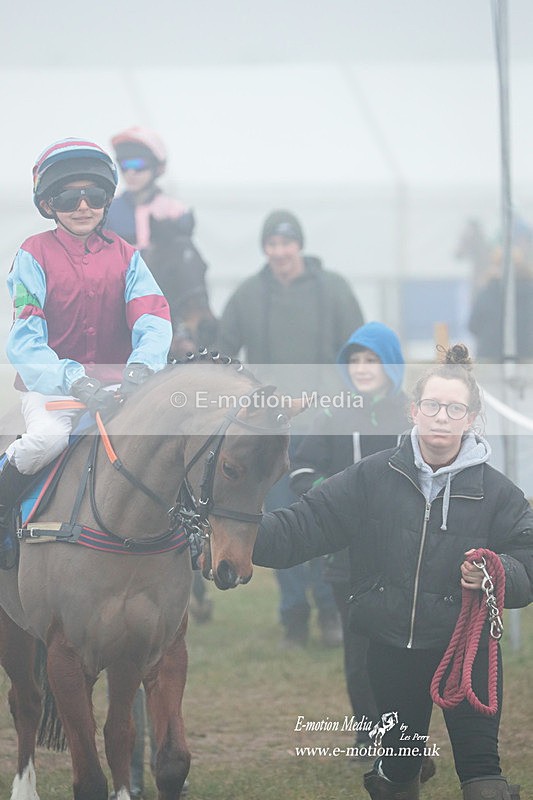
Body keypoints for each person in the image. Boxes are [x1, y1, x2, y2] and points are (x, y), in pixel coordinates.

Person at [253, 343, 532, 800]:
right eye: (432, 405)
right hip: (389, 651)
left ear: (471, 417)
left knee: (483, 779)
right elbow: (306, 525)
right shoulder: (370, 477)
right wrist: (242, 532)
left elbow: (529, 556)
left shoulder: (498, 494)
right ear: (413, 410)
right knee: (399, 774)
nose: (442, 416)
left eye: (454, 407)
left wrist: (500, 571)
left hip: (469, 656)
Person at [0, 138, 172, 578]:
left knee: (163, 443)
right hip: (53, 391)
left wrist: (142, 369)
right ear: (47, 203)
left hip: (118, 387)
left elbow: (152, 317)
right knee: (45, 443)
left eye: (93, 196)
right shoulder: (31, 255)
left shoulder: (128, 256)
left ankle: (184, 538)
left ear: (106, 200)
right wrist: (73, 380)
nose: (82, 206)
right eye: (67, 197)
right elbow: (25, 339)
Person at [217, 209, 365, 648]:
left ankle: (329, 612)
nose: (280, 252)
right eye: (272, 244)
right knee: (277, 521)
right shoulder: (247, 294)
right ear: (265, 248)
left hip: (325, 426)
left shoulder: (334, 289)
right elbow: (224, 353)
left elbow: (358, 352)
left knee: (326, 518)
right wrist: (252, 402)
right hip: (268, 434)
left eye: (287, 243)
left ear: (299, 245)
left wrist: (328, 399)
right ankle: (293, 618)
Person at [289, 321, 408, 753]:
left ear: (390, 364)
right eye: (354, 361)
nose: (361, 369)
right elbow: (301, 472)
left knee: (402, 649)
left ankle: (403, 734)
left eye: (371, 360)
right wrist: (338, 497)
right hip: (347, 559)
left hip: (408, 556)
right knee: (359, 655)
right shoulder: (332, 415)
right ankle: (369, 734)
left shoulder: (414, 415)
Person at [107, 126, 217, 357]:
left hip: (166, 311)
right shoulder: (109, 212)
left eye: (138, 165)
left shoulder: (175, 210)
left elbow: (188, 273)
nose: (131, 173)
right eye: (125, 165)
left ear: (157, 168)